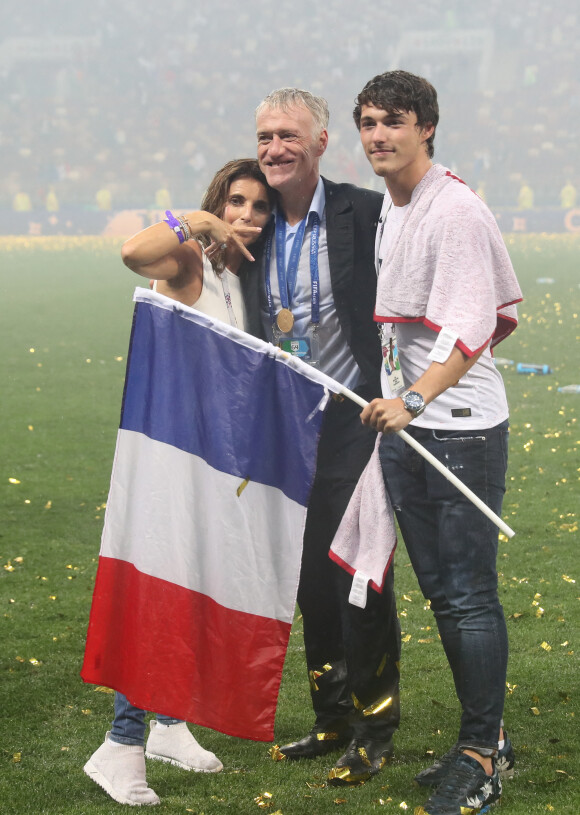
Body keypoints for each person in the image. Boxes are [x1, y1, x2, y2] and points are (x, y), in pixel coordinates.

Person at [354, 70, 522, 815]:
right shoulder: (399, 205)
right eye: (367, 122)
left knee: (467, 595)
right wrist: (400, 402)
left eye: (393, 121)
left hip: (456, 428)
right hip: (409, 425)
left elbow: (469, 325)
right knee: (445, 596)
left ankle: (484, 754)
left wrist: (415, 398)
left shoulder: (453, 210)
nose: (377, 135)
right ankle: (484, 737)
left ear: (427, 125)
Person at [84, 158, 274, 807]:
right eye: (236, 201)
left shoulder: (236, 278)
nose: (247, 216)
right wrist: (193, 219)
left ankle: (167, 725)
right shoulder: (192, 257)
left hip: (212, 465)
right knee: (161, 594)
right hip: (168, 459)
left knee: (193, 592)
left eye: (259, 207)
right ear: (218, 203)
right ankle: (121, 742)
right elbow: (134, 251)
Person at [252, 88, 401, 786]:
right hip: (288, 421)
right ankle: (333, 717)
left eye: (288, 135)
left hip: (353, 416)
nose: (273, 149)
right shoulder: (248, 224)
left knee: (357, 576)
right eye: (263, 138)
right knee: (310, 577)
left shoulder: (361, 211)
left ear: (320, 143)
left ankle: (376, 727)